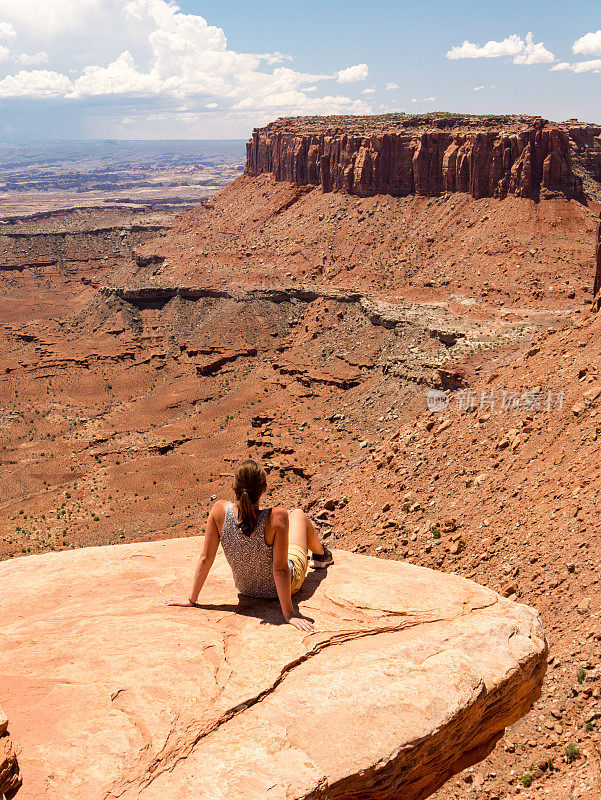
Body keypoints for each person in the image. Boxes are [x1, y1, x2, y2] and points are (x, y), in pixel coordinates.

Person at [184, 459, 333, 632]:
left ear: (234, 488)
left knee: (294, 521)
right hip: (283, 588)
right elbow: (281, 570)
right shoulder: (277, 516)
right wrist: (289, 614)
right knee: (298, 514)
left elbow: (205, 558)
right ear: (264, 489)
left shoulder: (219, 510)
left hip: (245, 588)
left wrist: (192, 600)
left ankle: (320, 555)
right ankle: (321, 555)